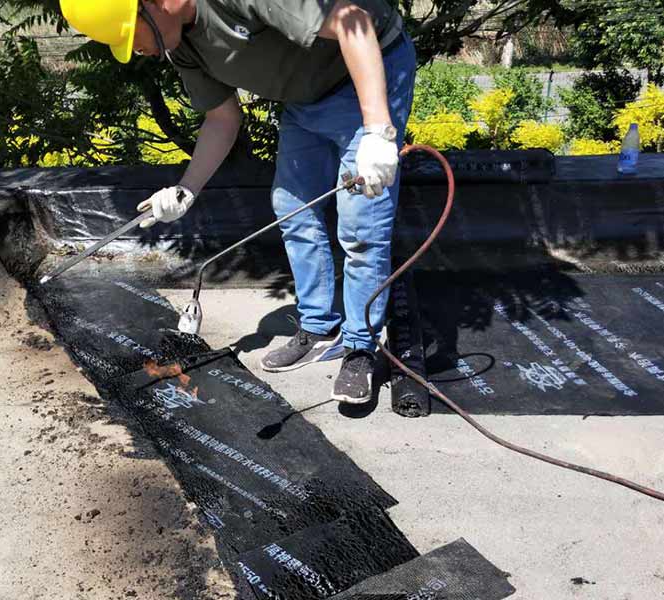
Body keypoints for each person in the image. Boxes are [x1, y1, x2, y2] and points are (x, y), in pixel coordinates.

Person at [59, 0, 416, 404]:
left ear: (154, 5)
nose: (139, 50)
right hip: (306, 97)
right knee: (292, 207)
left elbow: (355, 23)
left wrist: (378, 131)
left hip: (367, 73)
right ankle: (318, 326)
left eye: (131, 36)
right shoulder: (184, 46)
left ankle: (360, 347)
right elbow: (222, 118)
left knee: (361, 222)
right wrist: (186, 190)